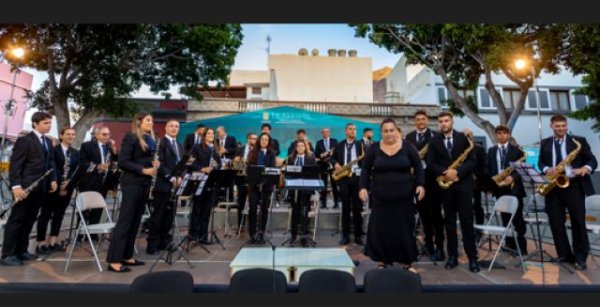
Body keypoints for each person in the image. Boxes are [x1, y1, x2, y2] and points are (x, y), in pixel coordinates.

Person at [359, 118, 424, 272]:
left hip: (404, 198)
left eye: (391, 130)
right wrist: (362, 187)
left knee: (404, 229)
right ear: (381, 133)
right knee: (381, 229)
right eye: (385, 131)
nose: (389, 134)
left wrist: (421, 185)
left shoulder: (407, 147)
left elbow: (418, 167)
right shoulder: (374, 148)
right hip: (381, 198)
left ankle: (407, 262)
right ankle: (382, 261)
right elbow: (366, 169)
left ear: (396, 131)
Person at [538, 114, 597, 270]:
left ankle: (580, 258)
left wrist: (585, 168)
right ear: (551, 126)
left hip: (574, 185)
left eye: (563, 125)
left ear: (567, 125)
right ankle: (565, 255)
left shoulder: (579, 141)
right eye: (557, 126)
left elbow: (592, 159)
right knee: (556, 223)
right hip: (553, 186)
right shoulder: (545, 143)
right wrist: (546, 169)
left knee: (578, 222)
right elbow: (540, 162)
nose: (561, 128)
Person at [0, 112, 58, 266]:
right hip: (24, 189)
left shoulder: (48, 142)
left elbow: (50, 163)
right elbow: (16, 165)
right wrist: (16, 187)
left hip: (41, 189)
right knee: (17, 220)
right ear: (35, 124)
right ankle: (7, 254)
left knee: (29, 220)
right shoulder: (25, 141)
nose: (49, 126)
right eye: (46, 123)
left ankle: (22, 250)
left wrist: (53, 180)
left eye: (50, 123)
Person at [426, 111, 480, 272]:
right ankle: (452, 256)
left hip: (463, 185)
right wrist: (445, 173)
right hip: (446, 187)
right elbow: (430, 163)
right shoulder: (434, 141)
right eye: (441, 121)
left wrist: (458, 173)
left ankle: (472, 259)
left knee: (467, 222)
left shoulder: (464, 138)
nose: (444, 124)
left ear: (452, 122)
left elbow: (472, 161)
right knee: (449, 223)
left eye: (446, 121)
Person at [106, 113, 159, 273]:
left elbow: (144, 158)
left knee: (136, 221)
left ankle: (127, 256)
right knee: (125, 221)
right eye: (148, 120)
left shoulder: (149, 139)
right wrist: (143, 170)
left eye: (152, 120)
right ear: (139, 122)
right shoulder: (130, 137)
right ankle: (114, 260)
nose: (151, 122)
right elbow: (123, 162)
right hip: (131, 183)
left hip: (144, 183)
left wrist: (153, 164)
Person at [405, 110, 445, 261]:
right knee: (424, 217)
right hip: (416, 182)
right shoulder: (408, 137)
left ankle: (440, 248)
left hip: (433, 181)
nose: (420, 122)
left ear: (427, 120)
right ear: (415, 121)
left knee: (436, 217)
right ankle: (429, 245)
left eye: (423, 119)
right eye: (418, 119)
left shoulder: (435, 135)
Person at [35, 127, 79, 255]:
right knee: (45, 215)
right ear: (61, 135)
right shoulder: (54, 150)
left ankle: (52, 241)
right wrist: (60, 183)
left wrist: (69, 183)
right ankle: (41, 243)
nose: (71, 136)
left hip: (67, 188)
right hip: (52, 187)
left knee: (59, 215)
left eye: (73, 134)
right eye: (68, 134)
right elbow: (51, 167)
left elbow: (76, 170)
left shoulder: (75, 153)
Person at [485, 125, 528, 255]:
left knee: (517, 219)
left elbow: (522, 169)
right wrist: (491, 177)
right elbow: (487, 167)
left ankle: (521, 247)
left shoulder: (517, 151)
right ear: (495, 136)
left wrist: (513, 177)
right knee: (505, 218)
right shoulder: (491, 151)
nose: (502, 136)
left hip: (513, 188)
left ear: (508, 135)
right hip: (499, 188)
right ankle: (509, 244)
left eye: (504, 133)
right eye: (499, 133)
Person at [146, 119, 184, 255]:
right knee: (158, 216)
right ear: (166, 128)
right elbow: (158, 163)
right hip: (162, 184)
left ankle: (165, 241)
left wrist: (180, 177)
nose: (174, 128)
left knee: (169, 216)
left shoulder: (179, 145)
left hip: (175, 186)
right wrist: (171, 177)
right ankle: (152, 244)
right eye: (171, 126)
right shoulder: (160, 143)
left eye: (177, 126)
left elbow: (182, 164)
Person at [78, 126, 116, 239]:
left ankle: (93, 233)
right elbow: (82, 162)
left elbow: (115, 161)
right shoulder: (87, 145)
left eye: (109, 134)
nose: (107, 137)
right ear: (97, 135)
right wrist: (97, 167)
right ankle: (81, 233)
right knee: (85, 207)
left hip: (103, 181)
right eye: (104, 134)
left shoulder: (109, 148)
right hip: (89, 180)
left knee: (98, 207)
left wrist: (114, 148)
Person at [331, 123, 366, 245]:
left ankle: (358, 235)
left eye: (355, 129)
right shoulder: (339, 145)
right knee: (345, 208)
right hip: (344, 178)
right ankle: (345, 235)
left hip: (356, 178)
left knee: (357, 208)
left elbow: (366, 161)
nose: (353, 131)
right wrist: (335, 164)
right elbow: (332, 158)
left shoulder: (360, 144)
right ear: (346, 131)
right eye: (351, 129)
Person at [189, 127, 222, 244]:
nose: (211, 135)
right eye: (208, 133)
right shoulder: (196, 147)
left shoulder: (215, 149)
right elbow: (190, 163)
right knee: (197, 209)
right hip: (198, 181)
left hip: (210, 183)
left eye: (213, 133)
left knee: (206, 211)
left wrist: (215, 167)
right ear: (204, 135)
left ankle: (203, 236)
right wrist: (202, 169)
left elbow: (219, 164)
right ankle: (193, 235)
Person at [246, 132, 277, 244]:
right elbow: (249, 167)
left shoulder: (271, 153)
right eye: (262, 139)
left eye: (266, 140)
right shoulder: (253, 152)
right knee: (253, 209)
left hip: (266, 186)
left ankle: (262, 233)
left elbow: (273, 168)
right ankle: (253, 234)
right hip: (254, 186)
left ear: (268, 142)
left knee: (264, 210)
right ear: (259, 140)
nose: (264, 141)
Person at [286, 140, 317, 246]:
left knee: (304, 212)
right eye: (298, 146)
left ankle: (304, 236)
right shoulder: (291, 158)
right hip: (294, 190)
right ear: (295, 148)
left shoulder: (310, 158)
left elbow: (314, 174)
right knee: (295, 213)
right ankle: (293, 236)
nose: (300, 148)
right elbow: (288, 174)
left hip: (306, 190)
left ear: (305, 147)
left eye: (302, 146)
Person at [233, 133, 257, 231]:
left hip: (253, 179)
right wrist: (236, 160)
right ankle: (240, 225)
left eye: (255, 139)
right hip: (241, 178)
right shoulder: (240, 149)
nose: (253, 140)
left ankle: (252, 226)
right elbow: (235, 164)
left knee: (253, 204)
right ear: (247, 139)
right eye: (252, 138)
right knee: (241, 203)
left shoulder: (257, 150)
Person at [314, 127, 340, 209]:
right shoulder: (319, 142)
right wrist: (322, 155)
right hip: (323, 165)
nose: (325, 133)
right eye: (324, 132)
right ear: (322, 133)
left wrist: (332, 153)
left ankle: (336, 202)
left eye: (327, 132)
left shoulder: (334, 141)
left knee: (334, 185)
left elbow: (338, 152)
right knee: (323, 185)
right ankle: (323, 202)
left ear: (329, 133)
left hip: (332, 166)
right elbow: (316, 154)